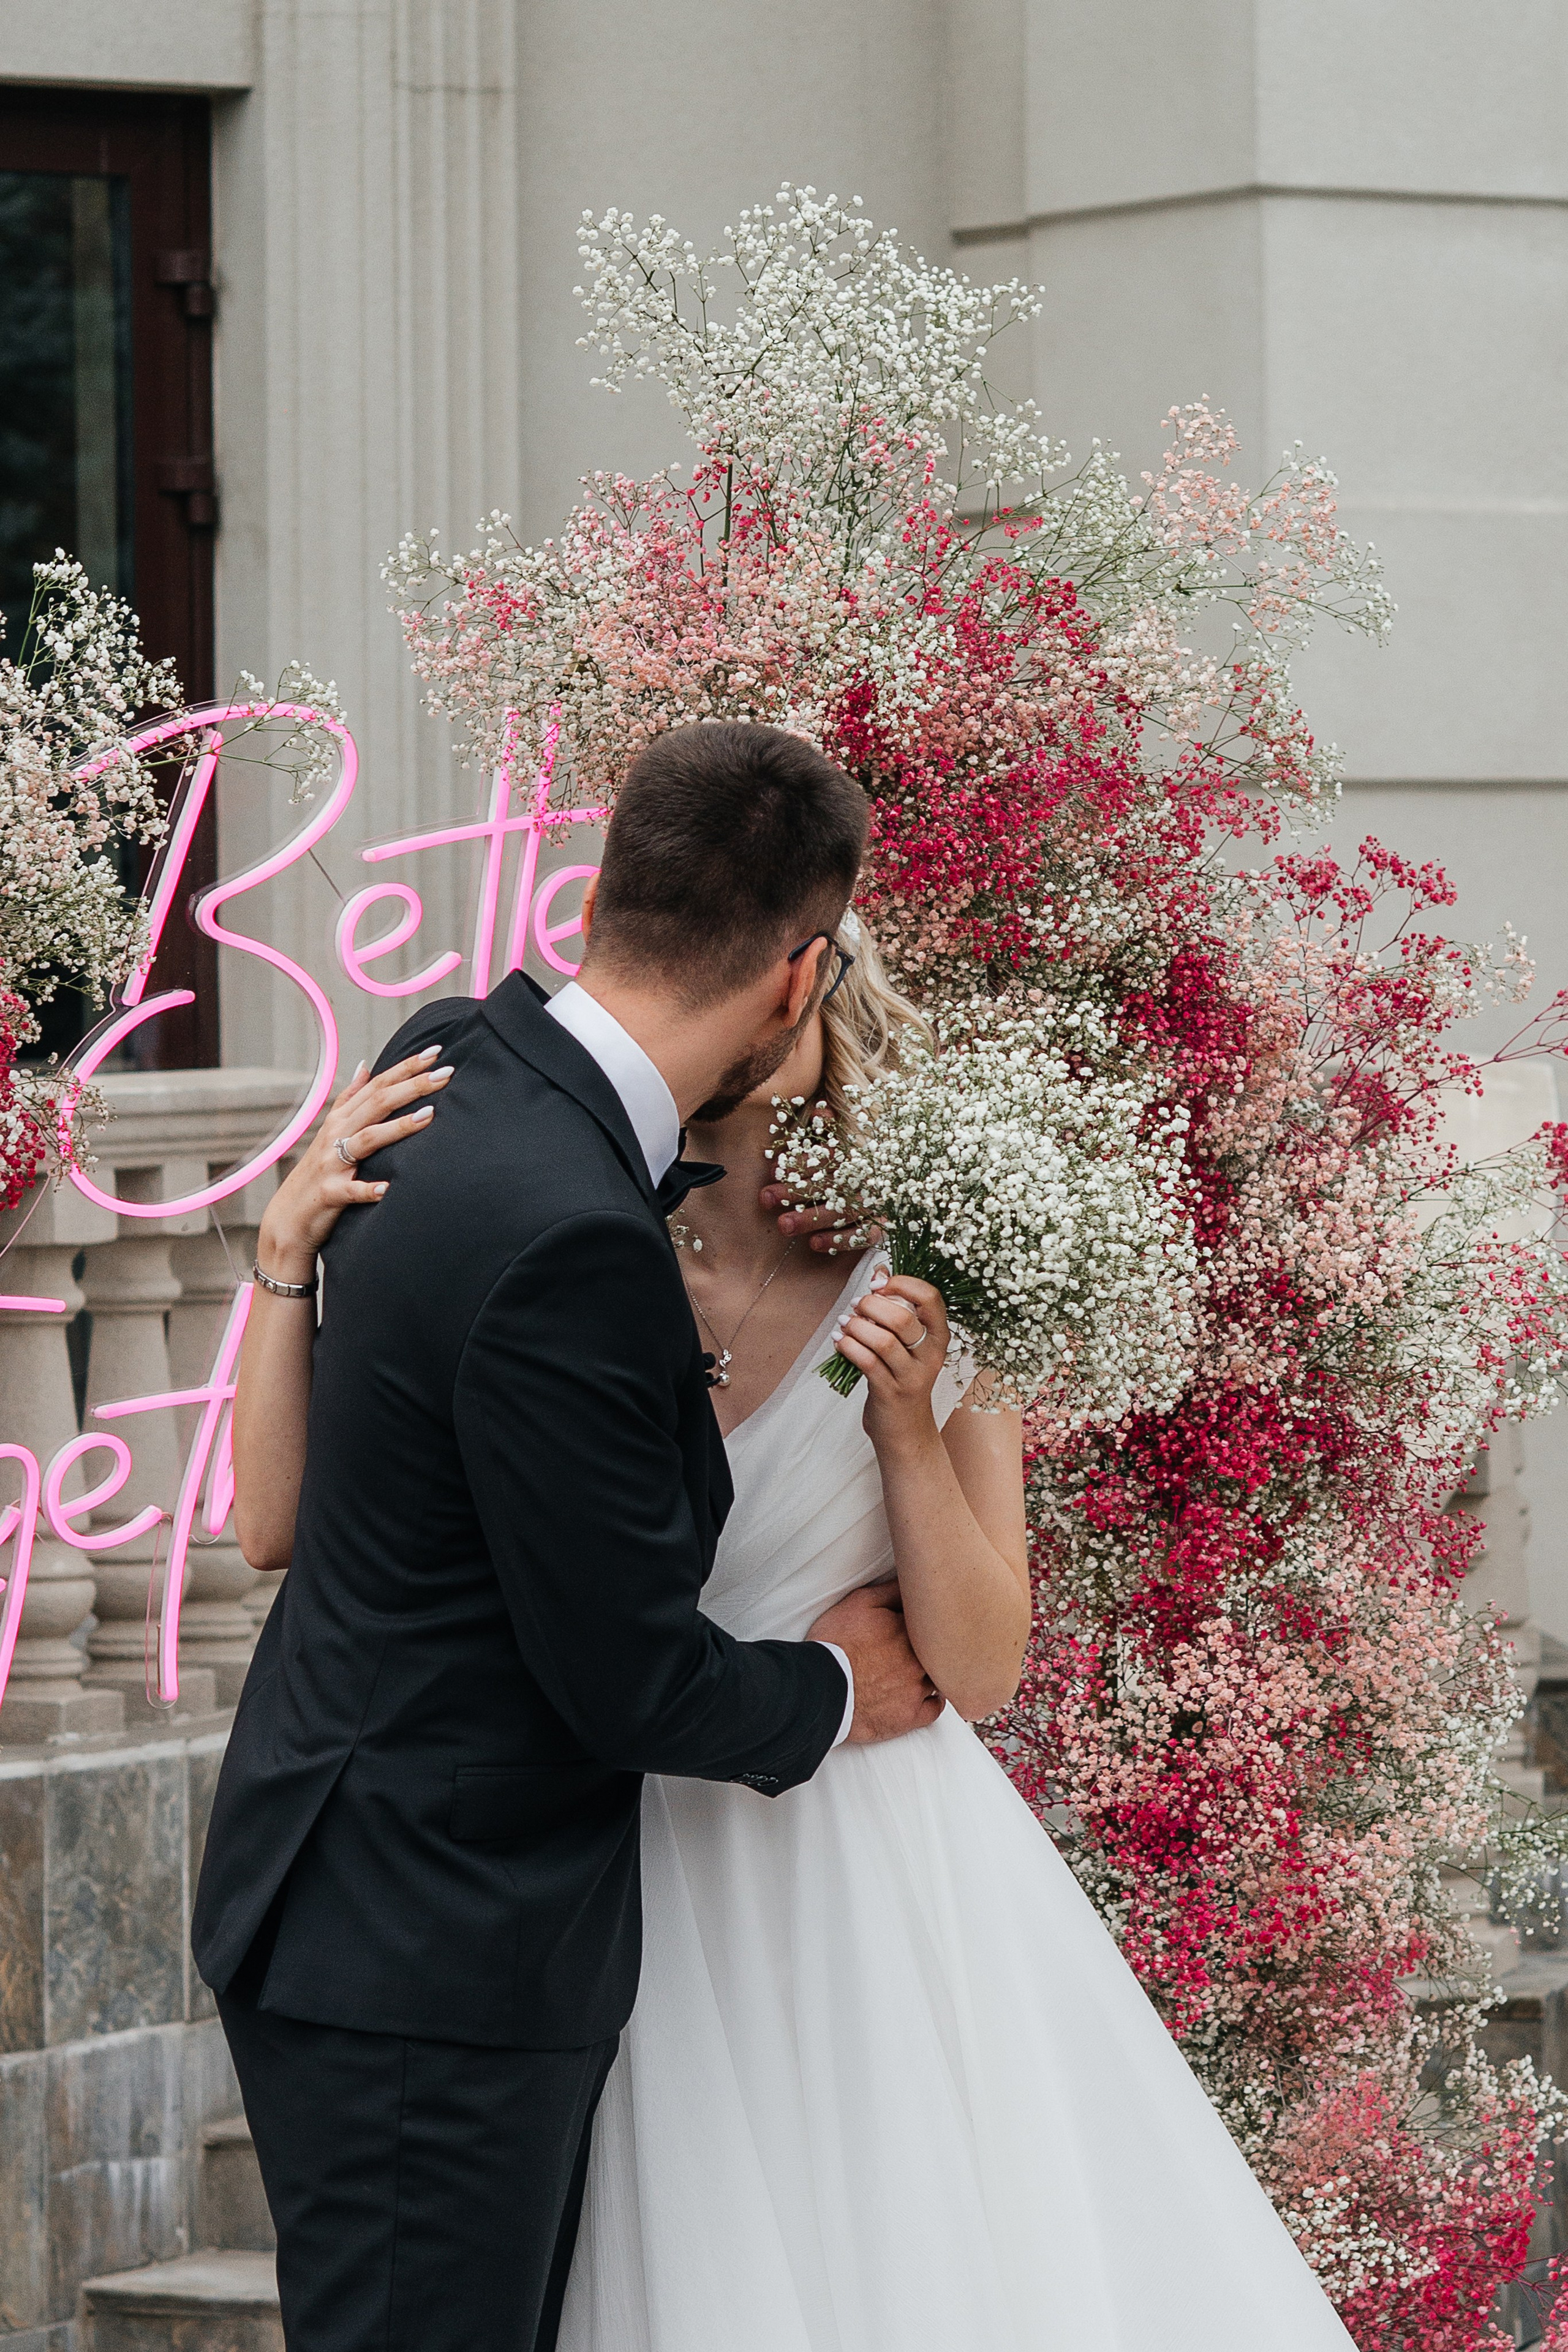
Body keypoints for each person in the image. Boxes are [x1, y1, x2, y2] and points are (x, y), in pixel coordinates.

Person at [229, 736, 1360, 2346]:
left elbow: (975, 1666)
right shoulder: (587, 1237)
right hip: (610, 1864)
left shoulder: (926, 1273)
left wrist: (905, 1430)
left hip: (838, 1876)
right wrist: (281, 1262)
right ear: (788, 982)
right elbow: (331, 1538)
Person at [191, 722, 943, 2352]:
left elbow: (318, 1516)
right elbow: (628, 1682)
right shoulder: (575, 1240)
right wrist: (837, 1694)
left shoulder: (451, 1058)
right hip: (432, 1954)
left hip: (348, 1884)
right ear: (799, 976)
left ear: (612, 893)